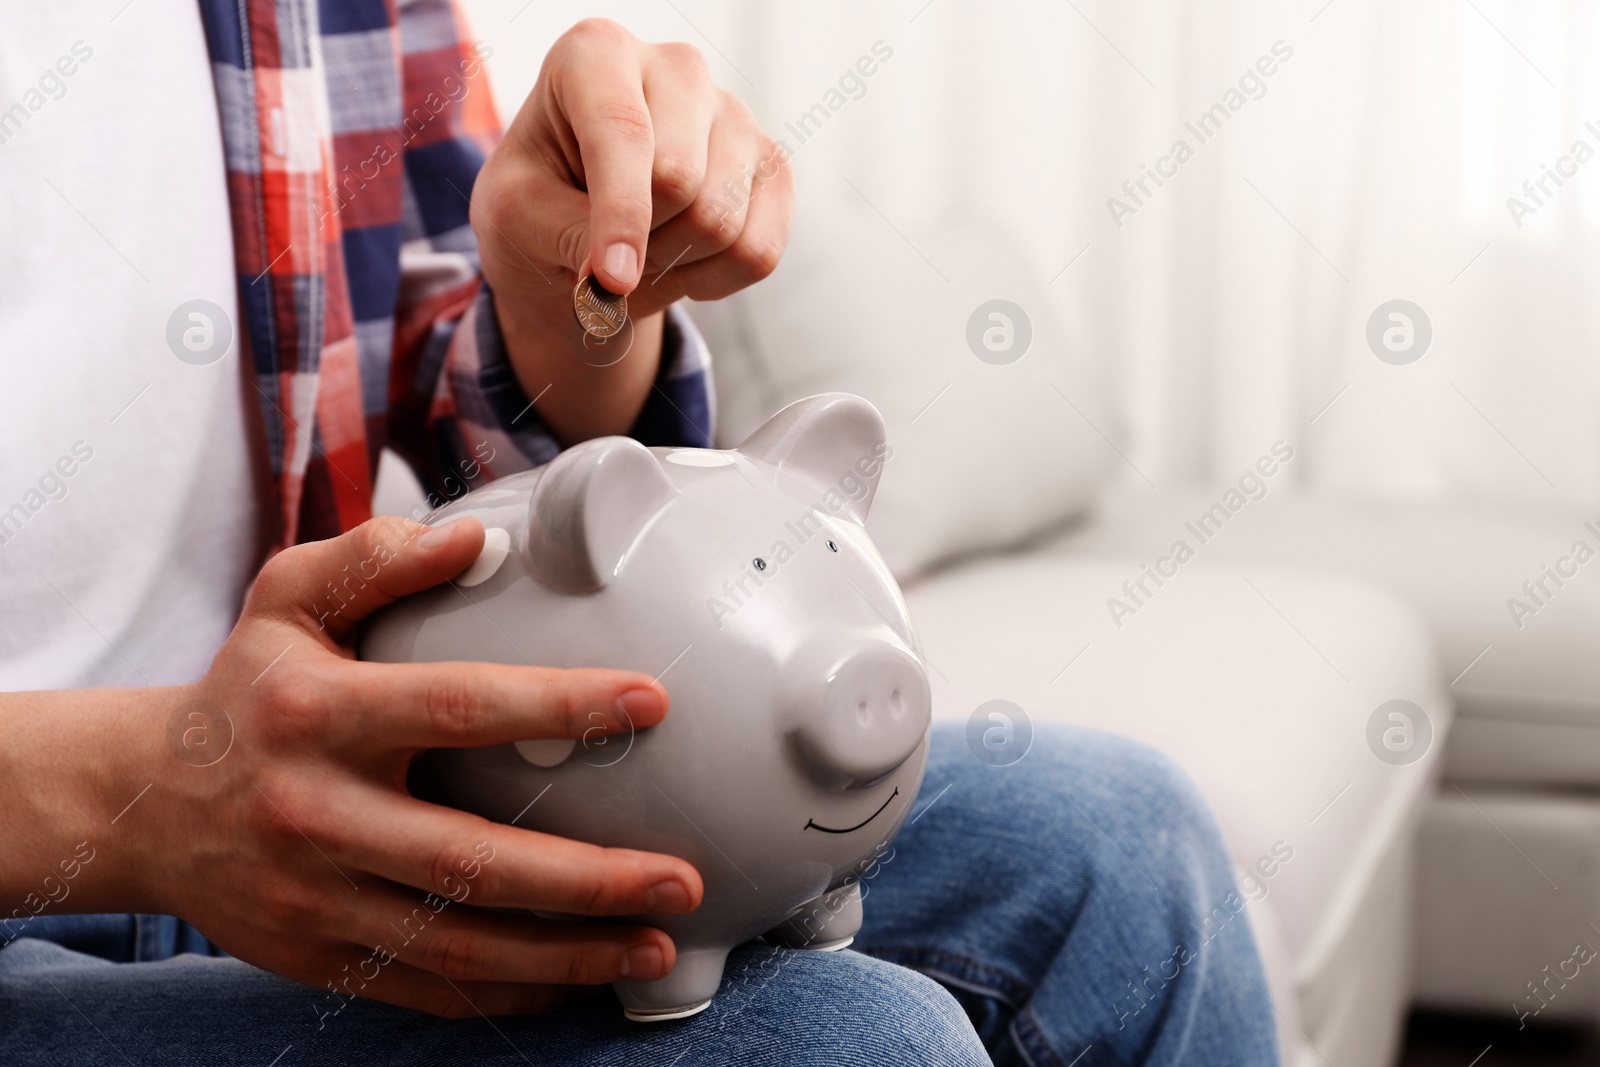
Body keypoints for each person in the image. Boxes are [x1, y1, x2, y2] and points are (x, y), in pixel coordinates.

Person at [0, 1, 1279, 1063]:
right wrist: (141, 791)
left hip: (319, 768)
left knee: (1125, 841)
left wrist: (571, 299)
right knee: (849, 1043)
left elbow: (521, 479)